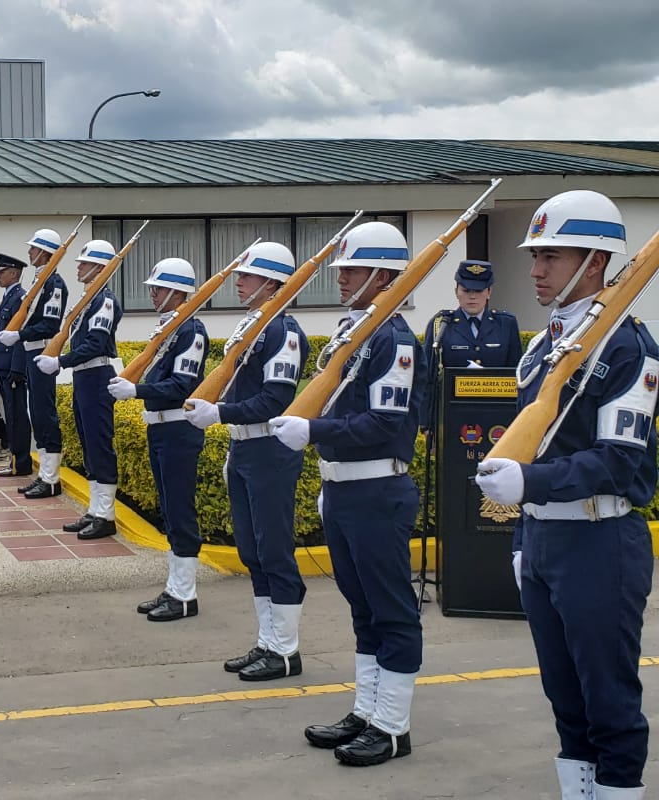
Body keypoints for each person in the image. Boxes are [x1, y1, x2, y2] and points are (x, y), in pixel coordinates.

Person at [477, 190, 656, 800]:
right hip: (548, 537)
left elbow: (616, 461)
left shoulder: (629, 347)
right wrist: (527, 529)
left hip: (600, 537)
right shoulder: (544, 346)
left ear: (596, 261)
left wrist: (530, 484)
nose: (536, 270)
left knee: (608, 699)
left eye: (552, 256)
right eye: (536, 256)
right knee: (564, 696)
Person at [268, 220, 425, 767]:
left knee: (392, 611)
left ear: (382, 276)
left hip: (378, 490)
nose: (342, 279)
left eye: (353, 270)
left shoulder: (394, 341)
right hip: (346, 491)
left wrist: (315, 433)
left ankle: (393, 725)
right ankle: (367, 709)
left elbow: (383, 423)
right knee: (363, 610)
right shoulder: (353, 331)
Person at [184, 242, 309, 678]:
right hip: (245, 448)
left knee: (274, 551)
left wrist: (220, 413)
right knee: (252, 551)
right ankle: (267, 642)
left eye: (248, 276)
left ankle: (286, 651)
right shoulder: (254, 326)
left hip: (269, 449)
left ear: (273, 284)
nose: (238, 281)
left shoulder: (283, 332)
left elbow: (275, 398)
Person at [108, 258, 209, 620]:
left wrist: (136, 390)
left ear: (180, 292)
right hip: (161, 427)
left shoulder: (191, 331)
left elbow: (182, 384)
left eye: (160, 288)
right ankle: (175, 588)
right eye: (153, 287)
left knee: (180, 510)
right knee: (168, 508)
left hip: (179, 428)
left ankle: (184, 594)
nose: (153, 293)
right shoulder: (170, 328)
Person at [35, 239, 122, 538]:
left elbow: (95, 344)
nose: (79, 267)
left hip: (97, 375)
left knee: (99, 445)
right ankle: (95, 510)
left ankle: (106, 514)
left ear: (99, 267)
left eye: (84, 263)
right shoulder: (89, 300)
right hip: (85, 377)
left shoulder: (104, 301)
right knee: (88, 445)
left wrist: (61, 361)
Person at [0, 228, 67, 499]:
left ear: (45, 252)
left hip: (42, 352)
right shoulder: (42, 281)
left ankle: (51, 479)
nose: (29, 252)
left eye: (34, 248)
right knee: (36, 414)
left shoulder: (54, 284)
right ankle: (45, 476)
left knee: (44, 415)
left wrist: (20, 334)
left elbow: (50, 323)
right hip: (30, 352)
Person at [422, 260, 522, 370]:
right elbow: (428, 374)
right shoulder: (442, 324)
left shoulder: (506, 324)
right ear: (456, 292)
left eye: (478, 291)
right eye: (466, 290)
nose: (472, 296)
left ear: (489, 292)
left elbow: (515, 372)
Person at [0, 253, 34, 478]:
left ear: (14, 273)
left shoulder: (20, 298)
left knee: (16, 416)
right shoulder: (10, 296)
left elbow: (18, 336)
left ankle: (20, 462)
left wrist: (17, 368)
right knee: (11, 414)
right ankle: (16, 460)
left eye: (2, 272)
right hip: (3, 365)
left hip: (11, 368)